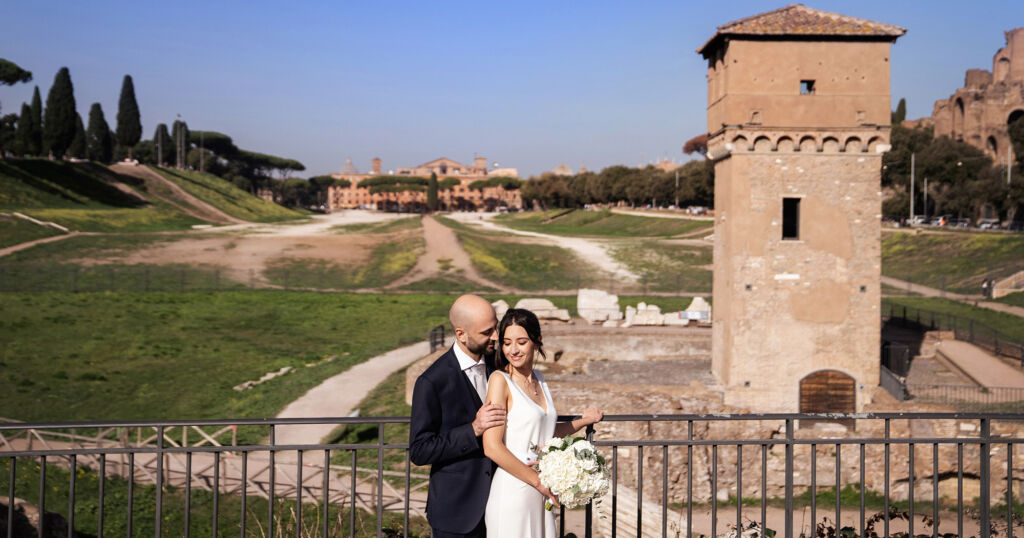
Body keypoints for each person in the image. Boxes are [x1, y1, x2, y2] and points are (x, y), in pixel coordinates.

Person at [482, 308, 603, 537]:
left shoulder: (540, 379)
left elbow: (545, 432)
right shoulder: (500, 380)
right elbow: (491, 446)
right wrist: (538, 482)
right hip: (513, 491)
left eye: (521, 342)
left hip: (541, 491)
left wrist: (583, 421)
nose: (513, 350)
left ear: (537, 342)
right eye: (507, 343)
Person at [409, 294, 506, 537]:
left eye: (495, 327)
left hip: (502, 506)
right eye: (487, 332)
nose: (495, 336)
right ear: (461, 334)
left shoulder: (499, 365)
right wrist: (473, 429)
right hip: (456, 514)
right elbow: (420, 451)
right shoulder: (431, 382)